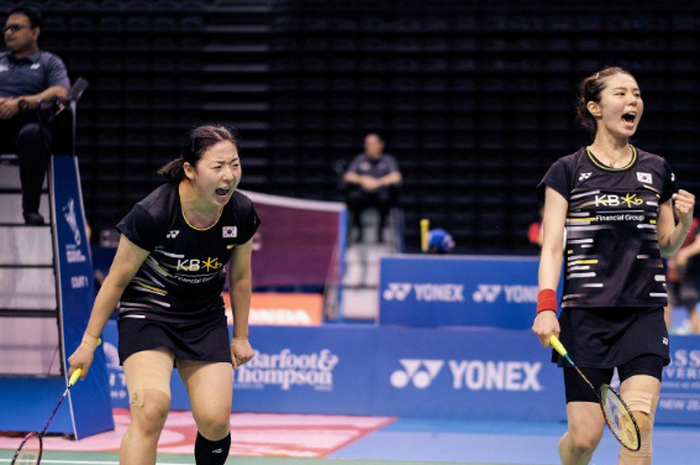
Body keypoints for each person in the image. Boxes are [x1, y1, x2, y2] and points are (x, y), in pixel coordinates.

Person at [68, 125, 260, 465]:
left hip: (203, 317)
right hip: (148, 313)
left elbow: (241, 277)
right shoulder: (154, 212)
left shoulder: (240, 212)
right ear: (189, 169)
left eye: (235, 164)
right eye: (217, 167)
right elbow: (115, 279)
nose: (229, 176)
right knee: (151, 410)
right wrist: (88, 343)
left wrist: (241, 335)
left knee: (215, 421)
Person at [532, 67, 695, 465]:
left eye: (637, 94)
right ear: (595, 107)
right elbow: (553, 247)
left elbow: (665, 248)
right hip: (585, 315)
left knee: (638, 423)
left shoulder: (657, 169)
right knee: (585, 439)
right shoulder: (567, 171)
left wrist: (685, 222)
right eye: (621, 94)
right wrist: (546, 307)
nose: (633, 101)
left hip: (643, 311)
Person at [0, 5, 69, 225]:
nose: (8, 32)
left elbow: (60, 92)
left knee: (32, 136)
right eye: (7, 28)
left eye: (16, 27)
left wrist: (21, 103)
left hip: (33, 128)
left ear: (35, 32)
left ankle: (30, 210)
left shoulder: (49, 62)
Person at [342, 133, 402, 243]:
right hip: (363, 196)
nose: (369, 147)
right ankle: (358, 233)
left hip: (381, 197)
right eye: (367, 144)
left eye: (373, 144)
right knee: (353, 198)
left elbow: (396, 177)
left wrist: (377, 182)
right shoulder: (359, 159)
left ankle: (380, 234)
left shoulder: (388, 159)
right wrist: (363, 180)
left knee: (388, 199)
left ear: (380, 145)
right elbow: (348, 176)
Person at [666, 215, 700, 334]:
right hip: (670, 274)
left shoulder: (695, 223)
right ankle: (666, 342)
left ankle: (695, 342)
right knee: (666, 306)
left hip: (690, 275)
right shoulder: (668, 222)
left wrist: (684, 254)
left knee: (691, 305)